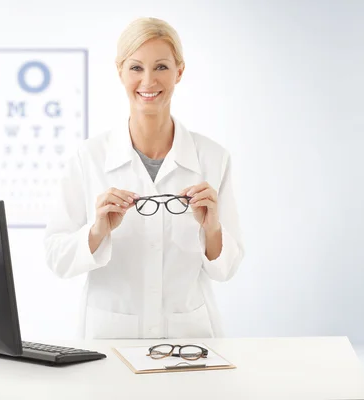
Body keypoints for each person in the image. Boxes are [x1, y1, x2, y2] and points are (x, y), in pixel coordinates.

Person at [43, 17, 244, 339]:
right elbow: (57, 258)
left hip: (188, 335)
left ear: (179, 71)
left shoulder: (212, 158)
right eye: (136, 68)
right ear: (120, 71)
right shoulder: (88, 158)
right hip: (111, 334)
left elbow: (226, 268)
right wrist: (97, 231)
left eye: (161, 67)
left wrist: (212, 229)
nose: (148, 81)